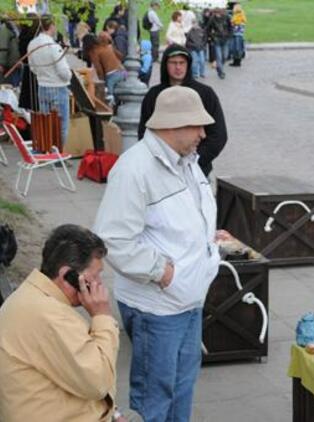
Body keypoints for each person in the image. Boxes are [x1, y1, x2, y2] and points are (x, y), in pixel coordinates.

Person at [94, 86, 221, 422]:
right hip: (158, 309)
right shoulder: (134, 169)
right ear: (173, 126)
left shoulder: (187, 161)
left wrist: (208, 237)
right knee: (155, 396)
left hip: (188, 301)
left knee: (181, 388)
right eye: (197, 126)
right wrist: (162, 272)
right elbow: (113, 238)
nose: (204, 134)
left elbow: (182, 215)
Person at [0, 224, 119, 422]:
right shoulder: (50, 317)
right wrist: (102, 316)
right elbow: (99, 382)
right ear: (68, 276)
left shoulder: (33, 296)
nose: (99, 284)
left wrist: (114, 412)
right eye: (96, 275)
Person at [138, 45, 227, 176]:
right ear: (165, 65)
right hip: (162, 170)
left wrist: (195, 161)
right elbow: (145, 132)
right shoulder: (153, 95)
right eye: (173, 63)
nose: (178, 67)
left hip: (198, 169)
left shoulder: (205, 93)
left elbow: (218, 135)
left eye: (182, 63)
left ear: (188, 65)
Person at [28, 16, 72, 145]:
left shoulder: (32, 44)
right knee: (61, 125)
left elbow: (33, 67)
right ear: (51, 26)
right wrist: (69, 76)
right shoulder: (53, 46)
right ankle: (58, 154)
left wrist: (43, 75)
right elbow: (63, 72)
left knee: (46, 124)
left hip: (42, 86)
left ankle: (48, 150)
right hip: (57, 87)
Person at [82, 33, 126, 99]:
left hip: (112, 76)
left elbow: (99, 69)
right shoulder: (107, 46)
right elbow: (121, 56)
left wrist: (102, 82)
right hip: (123, 72)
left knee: (108, 96)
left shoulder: (94, 52)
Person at [205, 7, 231, 79]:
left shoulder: (226, 17)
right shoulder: (212, 19)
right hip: (217, 40)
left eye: (218, 13)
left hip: (225, 39)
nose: (217, 15)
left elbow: (230, 27)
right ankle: (221, 72)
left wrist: (229, 35)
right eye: (215, 13)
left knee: (225, 56)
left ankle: (219, 67)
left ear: (221, 13)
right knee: (219, 57)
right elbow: (207, 29)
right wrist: (211, 36)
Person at [229, 3, 247, 67]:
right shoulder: (239, 15)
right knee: (235, 48)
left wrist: (232, 24)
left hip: (237, 34)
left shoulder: (239, 16)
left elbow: (236, 25)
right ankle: (235, 61)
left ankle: (237, 62)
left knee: (237, 48)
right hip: (237, 34)